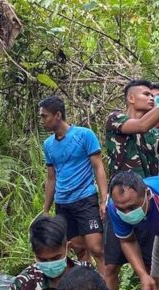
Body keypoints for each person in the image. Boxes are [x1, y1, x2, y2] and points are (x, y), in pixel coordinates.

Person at [102, 78, 159, 290]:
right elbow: (140, 125)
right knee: (111, 265)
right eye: (146, 94)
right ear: (131, 98)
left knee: (152, 265)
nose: (151, 98)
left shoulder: (154, 133)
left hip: (146, 204)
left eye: (153, 95)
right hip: (120, 203)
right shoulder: (115, 119)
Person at [39, 96, 108, 272]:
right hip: (63, 203)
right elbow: (51, 177)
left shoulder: (84, 135)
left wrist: (104, 199)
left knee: (97, 248)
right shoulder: (48, 144)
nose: (42, 121)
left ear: (58, 115)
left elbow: (98, 167)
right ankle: (89, 288)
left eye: (44, 116)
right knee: (79, 249)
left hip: (85, 199)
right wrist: (46, 210)